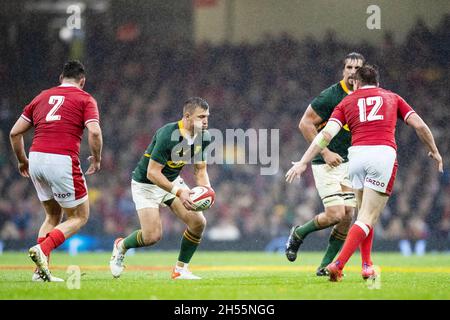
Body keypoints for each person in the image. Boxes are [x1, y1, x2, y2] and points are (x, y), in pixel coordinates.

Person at [286, 64, 443, 282]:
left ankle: (366, 265)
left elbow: (325, 136)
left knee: (363, 216)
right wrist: (434, 150)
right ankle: (338, 264)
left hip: (356, 157)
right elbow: (420, 126)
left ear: (357, 83)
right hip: (382, 155)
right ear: (377, 83)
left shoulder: (346, 102)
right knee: (369, 217)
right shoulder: (392, 98)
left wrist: (304, 161)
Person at [9, 60, 102, 282]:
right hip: (62, 159)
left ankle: (40, 273)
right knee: (79, 216)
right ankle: (44, 248)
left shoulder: (42, 97)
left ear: (61, 79)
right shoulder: (85, 98)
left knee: (52, 215)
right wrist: (96, 159)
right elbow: (95, 132)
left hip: (36, 158)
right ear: (83, 81)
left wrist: (23, 161)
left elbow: (14, 133)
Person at [109, 97, 212, 280]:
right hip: (146, 185)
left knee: (198, 223)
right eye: (201, 116)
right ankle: (121, 245)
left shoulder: (203, 137)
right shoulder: (168, 134)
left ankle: (180, 270)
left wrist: (207, 191)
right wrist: (180, 192)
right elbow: (152, 173)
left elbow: (200, 170)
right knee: (152, 236)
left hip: (171, 180)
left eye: (207, 116)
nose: (205, 121)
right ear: (187, 117)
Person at [285, 52, 365, 276]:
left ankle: (325, 266)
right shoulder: (331, 95)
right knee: (336, 214)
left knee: (349, 214)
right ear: (343, 70)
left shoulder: (365, 96)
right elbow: (305, 124)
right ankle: (299, 233)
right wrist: (327, 152)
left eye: (357, 68)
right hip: (326, 162)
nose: (352, 72)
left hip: (350, 162)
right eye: (348, 67)